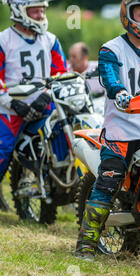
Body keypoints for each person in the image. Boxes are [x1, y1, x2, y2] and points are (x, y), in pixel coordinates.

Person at [75, 0, 140, 261]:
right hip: (121, 130)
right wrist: (119, 91)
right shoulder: (112, 49)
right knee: (109, 180)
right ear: (128, 16)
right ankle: (86, 244)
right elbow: (110, 77)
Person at [0, 0, 67, 184]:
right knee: (2, 151)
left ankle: (56, 187)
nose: (40, 16)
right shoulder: (3, 40)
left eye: (42, 11)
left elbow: (60, 73)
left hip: (44, 105)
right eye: (34, 11)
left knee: (61, 139)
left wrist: (46, 94)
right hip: (10, 110)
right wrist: (12, 103)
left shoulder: (51, 40)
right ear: (18, 11)